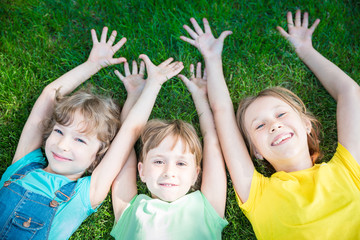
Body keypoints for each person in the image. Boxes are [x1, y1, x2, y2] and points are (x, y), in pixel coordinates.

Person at [181, 11, 360, 239]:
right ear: (256, 151)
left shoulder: (349, 169)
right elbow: (223, 112)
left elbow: (350, 93)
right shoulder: (256, 192)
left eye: (282, 114)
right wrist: (212, 59)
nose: (274, 126)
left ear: (306, 124)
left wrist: (306, 50)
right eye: (259, 126)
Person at [0, 26, 128, 239]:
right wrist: (92, 64)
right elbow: (50, 95)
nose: (62, 145)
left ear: (98, 155)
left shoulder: (84, 194)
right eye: (59, 131)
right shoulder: (23, 163)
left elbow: (127, 135)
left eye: (80, 139)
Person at [110, 62, 228, 240]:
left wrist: (200, 96)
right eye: (158, 161)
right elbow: (125, 140)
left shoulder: (207, 208)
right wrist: (140, 92)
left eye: (181, 163)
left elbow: (212, 141)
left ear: (196, 174)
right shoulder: (129, 211)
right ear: (141, 170)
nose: (169, 172)